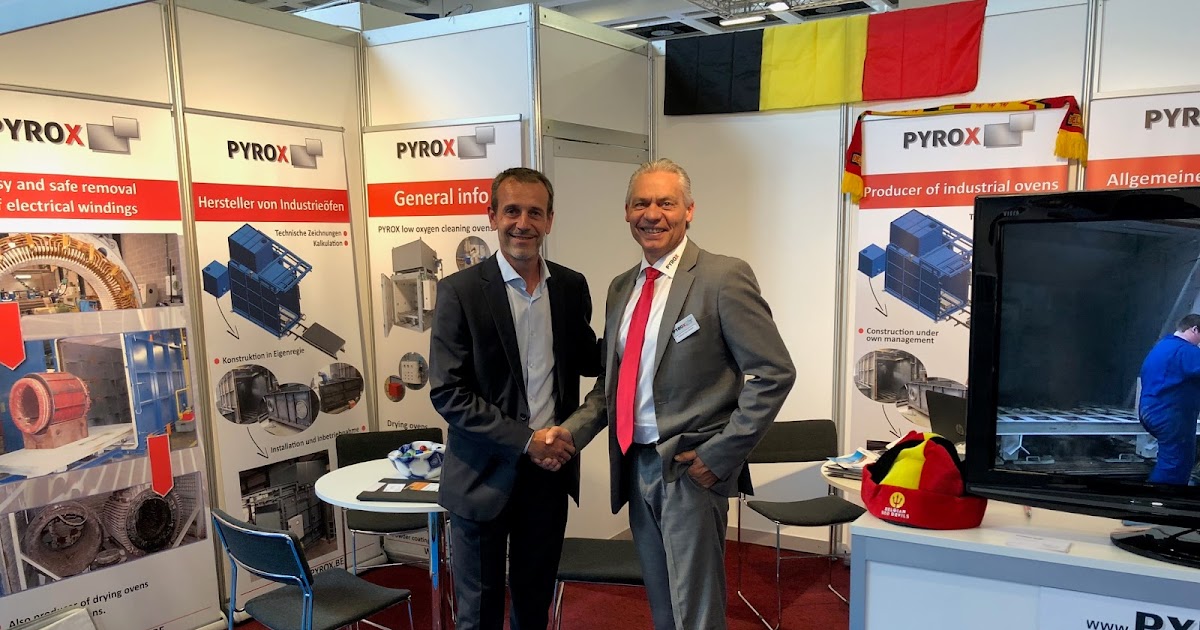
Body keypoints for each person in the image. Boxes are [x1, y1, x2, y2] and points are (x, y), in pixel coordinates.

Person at [559, 158, 796, 630]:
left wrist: (719, 455)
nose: (652, 214)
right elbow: (612, 385)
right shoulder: (621, 288)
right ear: (626, 212)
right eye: (641, 203)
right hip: (634, 463)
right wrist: (568, 434)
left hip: (689, 469)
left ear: (689, 211)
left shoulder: (723, 277)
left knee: (697, 610)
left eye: (666, 203)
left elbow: (774, 373)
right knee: (663, 604)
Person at [429, 167, 600, 630]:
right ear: (492, 216)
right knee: (478, 615)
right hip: (480, 476)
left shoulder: (570, 287)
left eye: (535, 213)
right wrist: (527, 441)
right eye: (512, 211)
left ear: (550, 221)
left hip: (548, 476)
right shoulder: (460, 292)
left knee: (533, 605)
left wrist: (649, 342)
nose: (523, 223)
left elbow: (590, 359)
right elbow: (448, 393)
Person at [1139, 313, 1200, 485]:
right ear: (1195, 329)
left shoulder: (1163, 346)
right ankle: (1160, 499)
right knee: (1175, 465)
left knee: (1170, 459)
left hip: (1150, 410)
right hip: (1171, 415)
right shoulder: (1186, 350)